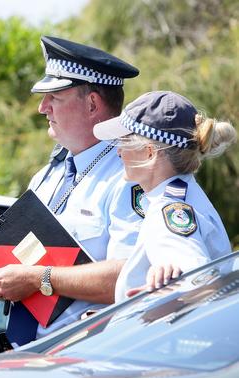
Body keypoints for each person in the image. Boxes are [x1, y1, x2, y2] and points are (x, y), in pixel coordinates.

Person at [0, 36, 144, 345]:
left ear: (92, 103)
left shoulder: (128, 175)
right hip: (28, 355)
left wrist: (37, 279)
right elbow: (21, 255)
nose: (43, 108)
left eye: (54, 96)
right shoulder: (47, 175)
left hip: (82, 359)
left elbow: (130, 276)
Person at [92, 90, 236, 301]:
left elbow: (205, 286)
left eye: (125, 141)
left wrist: (163, 302)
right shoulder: (185, 193)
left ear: (149, 153)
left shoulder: (167, 211)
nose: (119, 151)